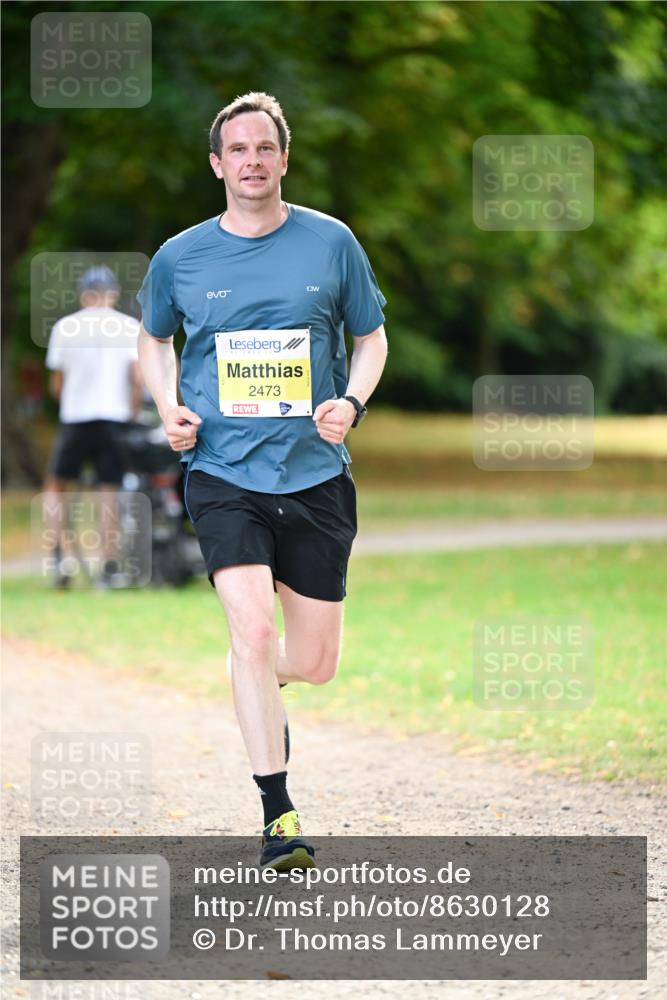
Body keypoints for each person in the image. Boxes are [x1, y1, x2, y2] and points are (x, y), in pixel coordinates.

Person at [137, 92, 388, 870]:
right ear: (217, 164)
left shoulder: (331, 243)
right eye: (237, 150)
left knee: (310, 662)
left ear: (284, 159)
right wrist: (168, 406)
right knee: (251, 629)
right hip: (221, 472)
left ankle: (258, 683)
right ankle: (278, 813)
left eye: (264, 149)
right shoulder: (180, 256)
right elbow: (154, 341)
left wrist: (350, 400)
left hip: (314, 476)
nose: (251, 161)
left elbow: (371, 337)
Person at [44, 265, 142, 587]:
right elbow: (137, 379)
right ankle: (109, 564)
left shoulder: (65, 327)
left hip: (76, 418)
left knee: (57, 486)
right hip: (114, 418)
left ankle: (58, 557)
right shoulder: (128, 327)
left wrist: (69, 402)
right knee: (108, 490)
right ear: (112, 293)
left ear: (84, 294)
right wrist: (132, 412)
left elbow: (57, 382)